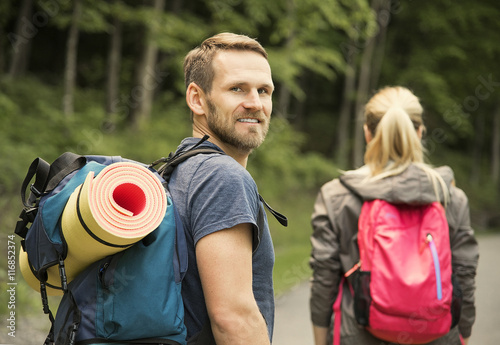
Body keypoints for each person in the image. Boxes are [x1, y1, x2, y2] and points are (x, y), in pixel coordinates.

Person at [309, 86, 479, 345]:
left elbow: (324, 278)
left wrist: (320, 338)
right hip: (438, 335)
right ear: (420, 133)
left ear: (367, 133)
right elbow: (464, 274)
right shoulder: (450, 196)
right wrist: (463, 333)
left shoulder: (336, 196)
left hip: (357, 334)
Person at [168, 32, 276, 344]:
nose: (255, 103)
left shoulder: (180, 168)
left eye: (264, 91)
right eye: (237, 89)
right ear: (196, 98)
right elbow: (233, 318)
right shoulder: (222, 177)